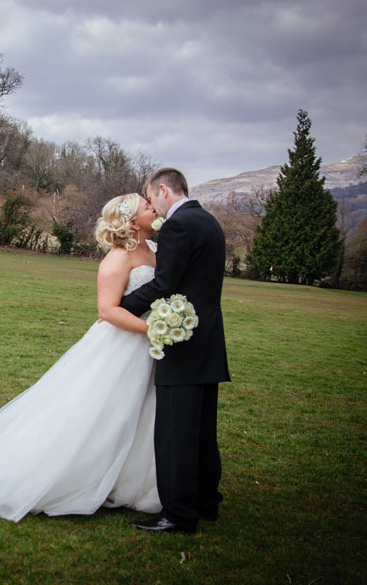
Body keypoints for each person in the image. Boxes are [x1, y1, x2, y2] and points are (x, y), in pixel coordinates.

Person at [0, 193, 162, 522]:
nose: (154, 208)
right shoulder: (119, 258)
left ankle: (129, 477)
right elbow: (107, 310)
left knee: (142, 411)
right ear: (133, 222)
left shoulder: (156, 251)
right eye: (147, 206)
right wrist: (151, 329)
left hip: (150, 347)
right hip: (122, 344)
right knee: (105, 411)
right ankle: (69, 472)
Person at [120, 167, 230, 534]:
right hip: (210, 342)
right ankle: (205, 502)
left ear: (163, 190)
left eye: (151, 199)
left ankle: (179, 515)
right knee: (201, 430)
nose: (152, 206)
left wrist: (122, 306)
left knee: (175, 434)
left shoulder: (179, 226)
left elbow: (165, 284)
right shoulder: (210, 222)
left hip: (182, 343)